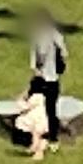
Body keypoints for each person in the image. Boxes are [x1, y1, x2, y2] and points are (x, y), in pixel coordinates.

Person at [25, 8, 68, 146]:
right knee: (51, 108)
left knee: (34, 103)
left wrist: (38, 67)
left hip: (42, 76)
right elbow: (64, 52)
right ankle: (53, 138)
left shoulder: (40, 35)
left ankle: (33, 135)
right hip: (53, 77)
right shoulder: (56, 34)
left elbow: (41, 54)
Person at [13, 85, 52, 161]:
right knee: (42, 137)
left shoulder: (36, 97)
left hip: (37, 122)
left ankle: (35, 150)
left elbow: (25, 107)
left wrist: (20, 99)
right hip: (44, 122)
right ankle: (39, 152)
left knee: (36, 137)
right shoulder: (43, 97)